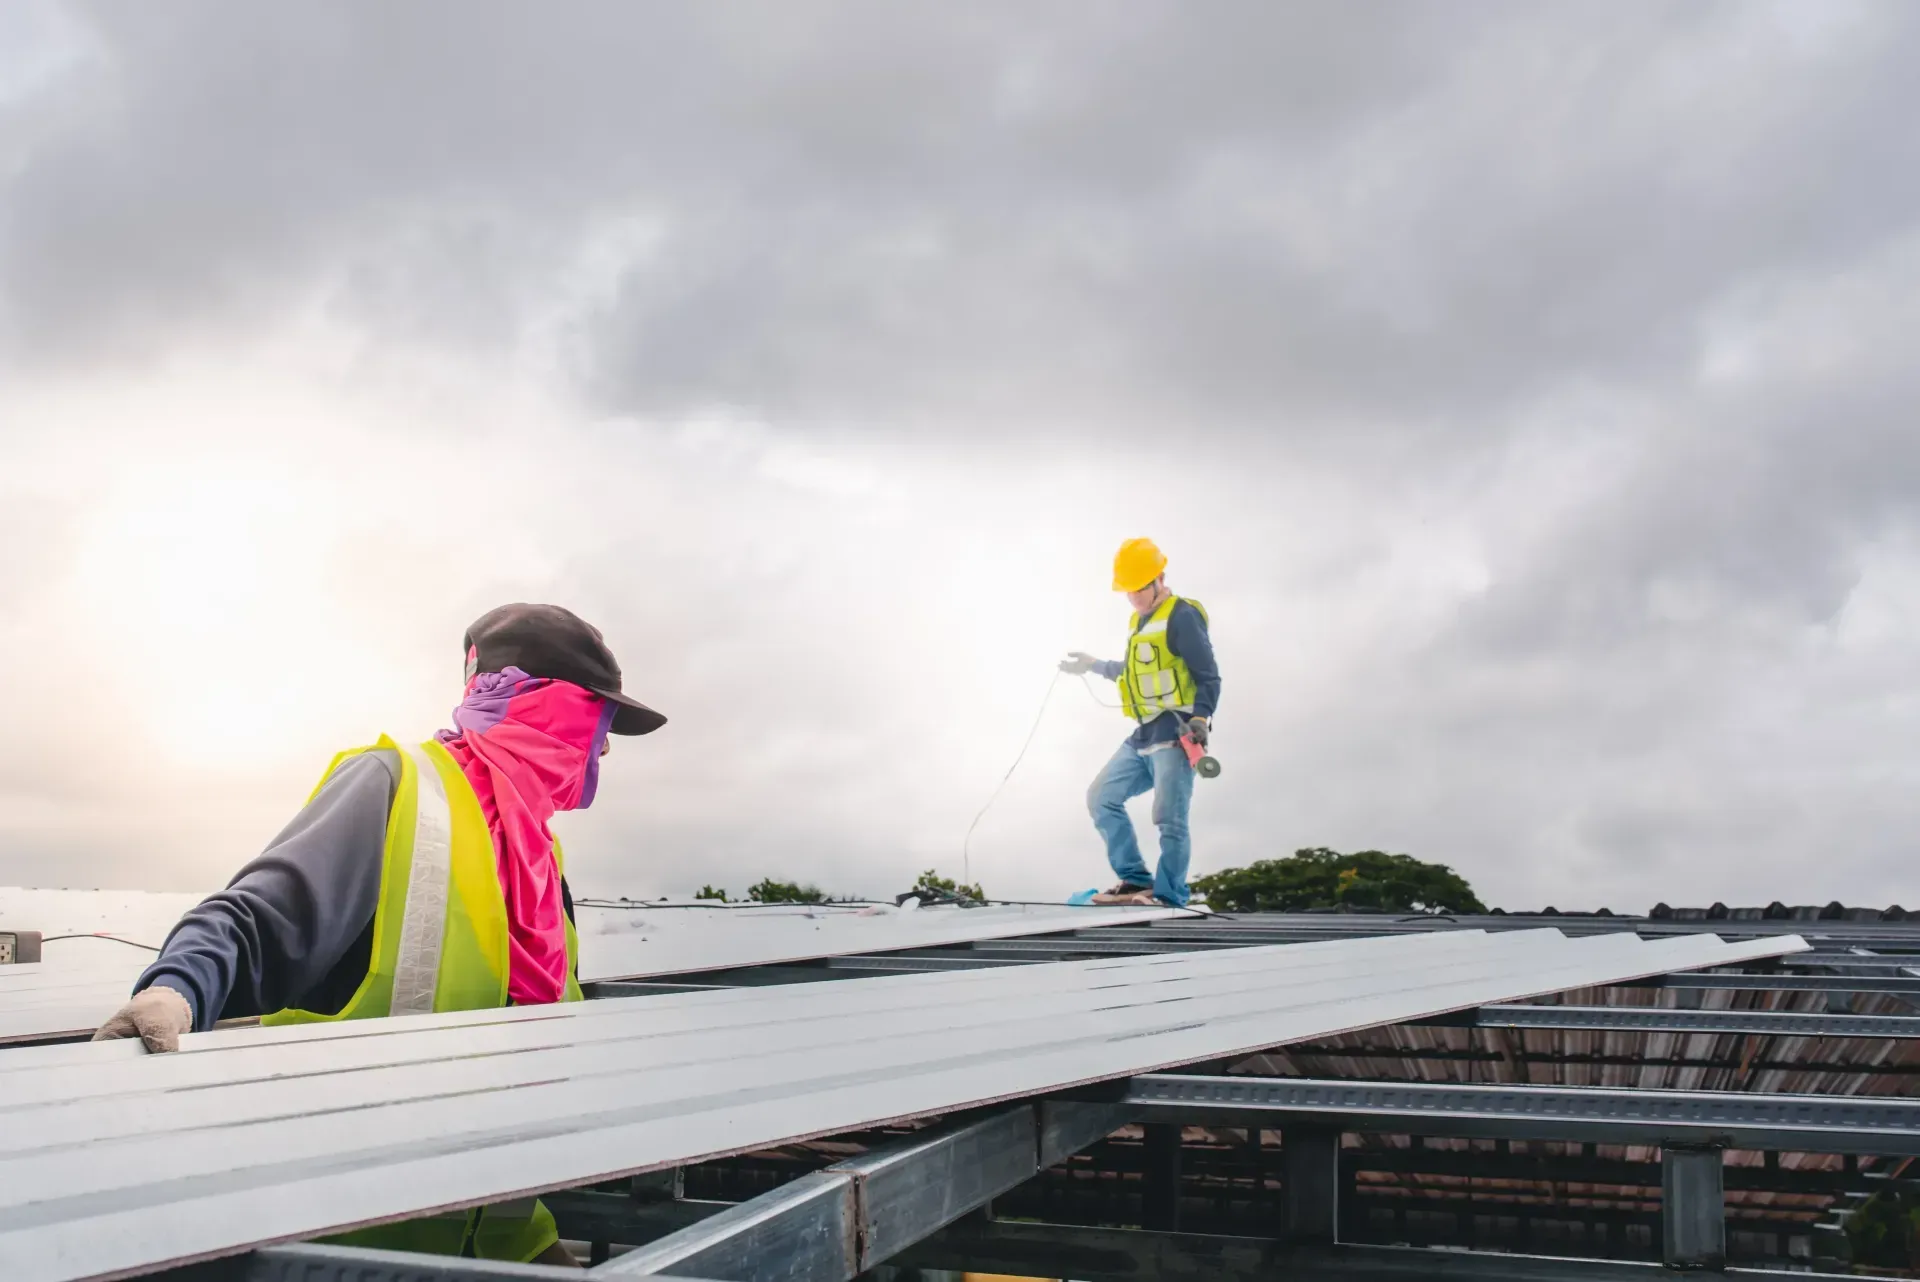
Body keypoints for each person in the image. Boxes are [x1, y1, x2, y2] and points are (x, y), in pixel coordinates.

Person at [91, 602, 666, 1267]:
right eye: (596, 717)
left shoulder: (539, 859)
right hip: (345, 1246)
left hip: (497, 1239)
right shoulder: (399, 789)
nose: (602, 746)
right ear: (538, 700)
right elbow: (253, 917)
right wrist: (176, 989)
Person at [1060, 538, 1219, 907]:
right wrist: (1092, 665)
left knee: (1169, 818)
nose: (1133, 598)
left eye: (1139, 589)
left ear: (1159, 578)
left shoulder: (1182, 615)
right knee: (1101, 798)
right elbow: (1130, 671)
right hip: (1143, 735)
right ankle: (1134, 881)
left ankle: (1170, 895)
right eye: (1128, 591)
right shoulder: (1139, 621)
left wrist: (1200, 718)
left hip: (1176, 735)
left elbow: (1209, 676)